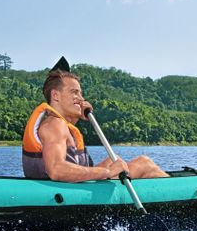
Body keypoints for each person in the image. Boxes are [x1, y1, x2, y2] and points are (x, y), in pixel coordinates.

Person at [22, 57, 169, 182]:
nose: (81, 98)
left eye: (81, 93)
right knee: (144, 163)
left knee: (113, 160)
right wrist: (107, 172)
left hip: (72, 187)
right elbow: (56, 169)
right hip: (67, 192)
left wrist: (77, 116)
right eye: (74, 92)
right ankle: (179, 199)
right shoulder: (54, 124)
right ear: (55, 95)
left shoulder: (58, 124)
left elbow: (68, 152)